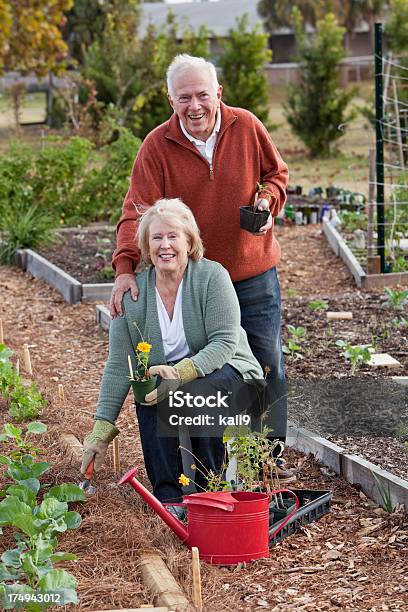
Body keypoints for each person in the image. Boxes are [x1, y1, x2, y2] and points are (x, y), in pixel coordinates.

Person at [109, 54, 292, 478]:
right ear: (170, 100)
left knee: (265, 362)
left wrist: (266, 202)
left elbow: (276, 175)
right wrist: (124, 268)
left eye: (202, 95)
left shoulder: (246, 126)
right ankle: (208, 465)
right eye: (184, 97)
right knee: (206, 367)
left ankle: (268, 456)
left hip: (251, 273)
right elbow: (137, 212)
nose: (194, 106)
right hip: (199, 283)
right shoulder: (157, 145)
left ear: (218, 95)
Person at [82, 198, 264, 507]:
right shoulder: (134, 296)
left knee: (195, 391)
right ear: (146, 246)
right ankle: (169, 499)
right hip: (169, 377)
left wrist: (180, 374)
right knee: (148, 390)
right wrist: (100, 431)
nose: (165, 245)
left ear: (189, 241)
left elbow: (224, 342)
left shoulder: (211, 277)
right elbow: (118, 366)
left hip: (228, 368)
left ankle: (212, 490)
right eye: (156, 238)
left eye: (173, 236)